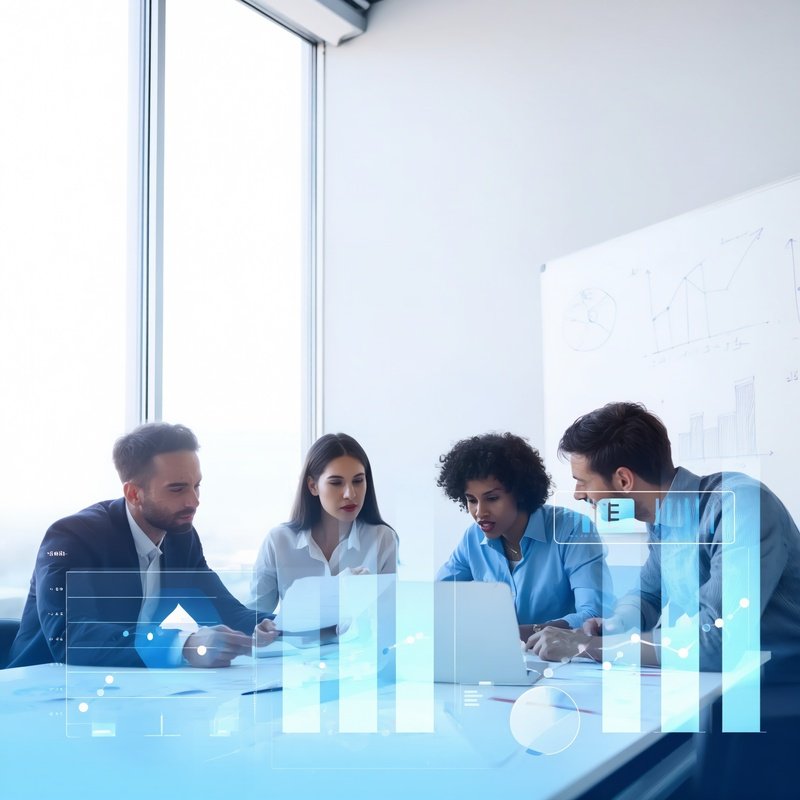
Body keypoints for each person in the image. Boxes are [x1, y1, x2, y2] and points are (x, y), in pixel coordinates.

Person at [526, 402, 800, 799]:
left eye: (583, 481)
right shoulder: (665, 519)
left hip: (777, 692)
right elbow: (646, 594)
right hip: (720, 688)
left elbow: (719, 641)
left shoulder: (739, 505)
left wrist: (589, 647)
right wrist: (612, 626)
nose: (579, 494)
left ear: (623, 480)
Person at [8, 423, 277, 669]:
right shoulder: (72, 537)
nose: (194, 501)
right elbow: (69, 636)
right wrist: (183, 645)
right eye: (177, 489)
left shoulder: (180, 537)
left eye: (196, 486)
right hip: (45, 685)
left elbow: (226, 610)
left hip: (126, 685)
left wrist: (284, 626)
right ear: (134, 493)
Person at [435, 432, 611, 639]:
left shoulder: (572, 529)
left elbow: (593, 615)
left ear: (519, 493)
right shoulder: (472, 538)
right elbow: (439, 598)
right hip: (495, 654)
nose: (480, 512)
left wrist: (518, 633)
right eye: (472, 500)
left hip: (563, 656)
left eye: (492, 498)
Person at [251, 433, 397, 614]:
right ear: (313, 486)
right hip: (292, 635)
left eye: (358, 481)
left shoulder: (383, 539)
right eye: (336, 483)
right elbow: (254, 617)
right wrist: (336, 590)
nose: (350, 494)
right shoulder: (278, 541)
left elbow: (386, 620)